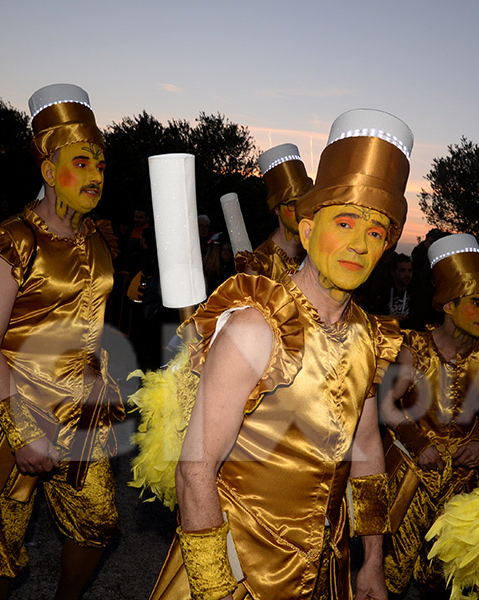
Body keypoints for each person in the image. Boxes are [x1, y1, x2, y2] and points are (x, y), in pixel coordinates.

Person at [149, 108, 413, 600]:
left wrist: (372, 561)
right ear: (308, 231)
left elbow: (367, 451)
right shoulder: (256, 326)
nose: (359, 244)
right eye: (346, 222)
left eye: (376, 233)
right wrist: (215, 587)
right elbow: (196, 468)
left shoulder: (371, 338)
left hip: (324, 573)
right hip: (237, 568)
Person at [0, 83, 125, 599]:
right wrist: (21, 430)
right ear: (49, 171)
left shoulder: (97, 238)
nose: (95, 175)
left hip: (79, 410)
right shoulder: (10, 242)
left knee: (98, 521)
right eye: (81, 163)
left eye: (100, 164)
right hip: (10, 408)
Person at [381, 233, 479, 599]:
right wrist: (416, 441)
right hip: (409, 478)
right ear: (448, 305)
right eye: (476, 303)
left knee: (442, 582)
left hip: (461, 490)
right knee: (390, 576)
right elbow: (385, 405)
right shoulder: (415, 348)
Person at [235, 143, 312, 280]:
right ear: (276, 208)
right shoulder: (259, 266)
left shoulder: (316, 253)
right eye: (293, 204)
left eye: (305, 202)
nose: (301, 210)